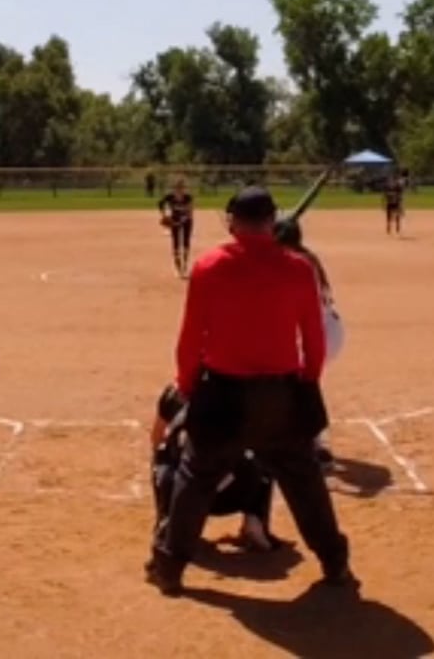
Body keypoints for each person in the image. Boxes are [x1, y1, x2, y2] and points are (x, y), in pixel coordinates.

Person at [147, 186, 355, 597]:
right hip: (281, 393)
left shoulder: (209, 266)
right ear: (272, 220)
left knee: (196, 475)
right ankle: (335, 562)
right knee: (304, 480)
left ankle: (169, 567)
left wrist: (187, 385)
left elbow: (190, 339)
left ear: (232, 223)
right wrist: (306, 383)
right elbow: (313, 340)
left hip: (223, 393)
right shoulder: (299, 268)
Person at [150, 384, 283, 553]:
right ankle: (255, 522)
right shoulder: (247, 394)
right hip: (235, 496)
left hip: (185, 497)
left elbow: (156, 438)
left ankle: (168, 518)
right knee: (266, 450)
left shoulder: (174, 394)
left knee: (162, 453)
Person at [275, 216, 344, 472]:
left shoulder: (297, 264)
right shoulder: (304, 258)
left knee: (299, 386)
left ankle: (317, 447)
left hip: (320, 332)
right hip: (326, 329)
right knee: (298, 384)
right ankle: (308, 440)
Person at [156, 177, 195, 279]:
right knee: (176, 243)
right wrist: (164, 215)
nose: (180, 190)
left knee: (186, 242)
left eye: (181, 187)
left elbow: (190, 212)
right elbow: (160, 204)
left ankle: (185, 266)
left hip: (186, 222)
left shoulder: (188, 197)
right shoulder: (169, 197)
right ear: (174, 188)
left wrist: (183, 220)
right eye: (177, 188)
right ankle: (178, 269)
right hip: (174, 222)